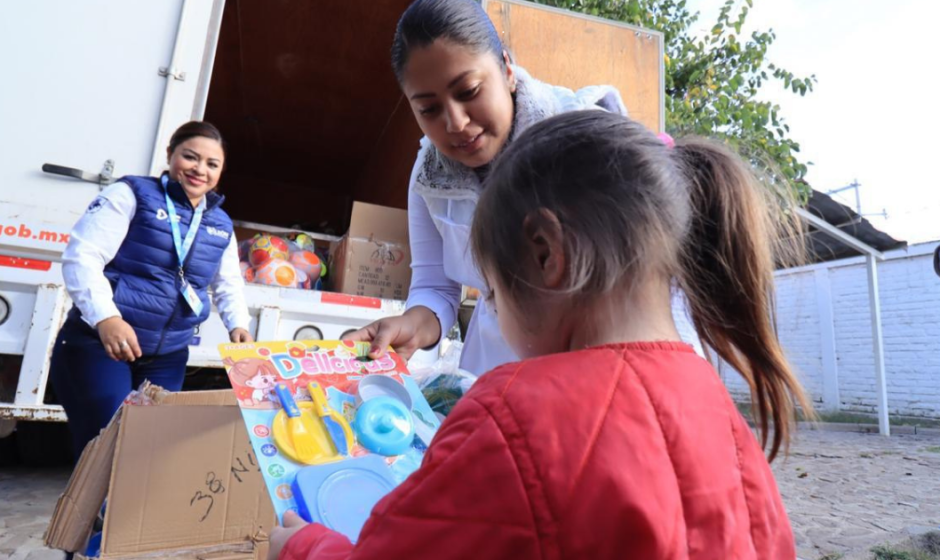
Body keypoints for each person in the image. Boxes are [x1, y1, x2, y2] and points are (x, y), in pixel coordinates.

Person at [268, 111, 812, 559]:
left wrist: (304, 547)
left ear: (547, 254)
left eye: (494, 295)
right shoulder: (719, 409)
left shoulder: (508, 415)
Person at [346, 0, 703, 375]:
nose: (455, 122)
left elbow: (645, 289)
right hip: (497, 380)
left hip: (608, 373)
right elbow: (434, 286)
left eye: (468, 91)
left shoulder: (585, 142)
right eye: (429, 109)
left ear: (507, 69)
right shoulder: (430, 174)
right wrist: (410, 326)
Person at [49, 121, 253, 459]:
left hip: (168, 356)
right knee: (107, 446)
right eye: (190, 157)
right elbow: (82, 257)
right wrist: (106, 319)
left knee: (147, 452)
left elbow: (228, 281)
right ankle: (95, 512)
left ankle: (122, 513)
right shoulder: (129, 194)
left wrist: (239, 324)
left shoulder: (220, 224)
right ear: (170, 153)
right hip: (101, 346)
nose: (199, 170)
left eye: (212, 164)